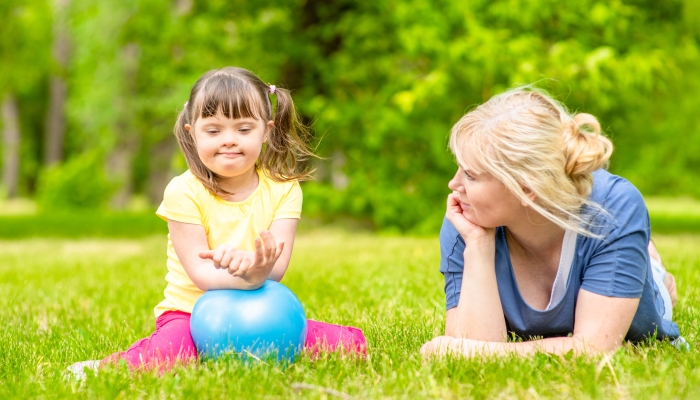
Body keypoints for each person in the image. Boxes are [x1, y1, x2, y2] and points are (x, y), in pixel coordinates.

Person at [68, 67, 365, 377]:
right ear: (191, 132)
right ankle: (99, 369)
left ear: (266, 131)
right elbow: (201, 273)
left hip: (259, 309)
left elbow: (274, 268)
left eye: (244, 129)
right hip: (190, 313)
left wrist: (255, 269)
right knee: (170, 357)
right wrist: (246, 274)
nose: (229, 141)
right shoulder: (182, 191)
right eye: (213, 130)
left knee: (350, 347)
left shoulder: (284, 189)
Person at [421, 87, 683, 358]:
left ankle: (654, 269)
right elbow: (469, 345)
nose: (453, 184)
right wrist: (478, 244)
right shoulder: (469, 216)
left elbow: (592, 350)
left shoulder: (614, 208)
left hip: (632, 275)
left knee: (651, 280)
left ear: (526, 188)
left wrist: (477, 353)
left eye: (470, 175)